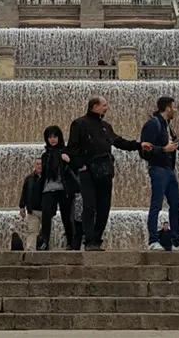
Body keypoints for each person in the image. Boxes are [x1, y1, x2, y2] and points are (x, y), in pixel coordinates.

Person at [67, 96, 146, 251]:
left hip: (105, 171)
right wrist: (80, 165)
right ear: (94, 107)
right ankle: (89, 241)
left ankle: (97, 240)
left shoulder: (106, 126)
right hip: (88, 172)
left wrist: (139, 145)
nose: (107, 107)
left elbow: (119, 142)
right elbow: (71, 148)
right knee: (89, 206)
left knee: (104, 207)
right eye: (104, 105)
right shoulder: (79, 123)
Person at [139, 96, 179, 251]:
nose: (176, 110)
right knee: (156, 205)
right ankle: (153, 240)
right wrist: (164, 149)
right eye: (174, 107)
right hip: (158, 169)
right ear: (168, 108)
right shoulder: (153, 124)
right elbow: (144, 151)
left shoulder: (168, 126)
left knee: (176, 205)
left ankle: (176, 242)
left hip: (170, 170)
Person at [37, 126, 78, 250]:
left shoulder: (65, 152)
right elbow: (43, 175)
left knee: (66, 217)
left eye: (55, 137)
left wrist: (68, 160)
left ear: (59, 138)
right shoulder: (45, 155)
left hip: (63, 189)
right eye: (50, 137)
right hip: (48, 189)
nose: (52, 139)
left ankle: (70, 241)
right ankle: (45, 241)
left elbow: (75, 167)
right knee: (46, 216)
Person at [17, 160, 42, 226]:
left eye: (41, 164)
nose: (39, 166)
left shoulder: (49, 178)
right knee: (32, 231)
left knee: (46, 232)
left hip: (46, 211)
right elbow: (24, 193)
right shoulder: (29, 178)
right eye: (37, 164)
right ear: (34, 165)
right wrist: (22, 206)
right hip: (32, 211)